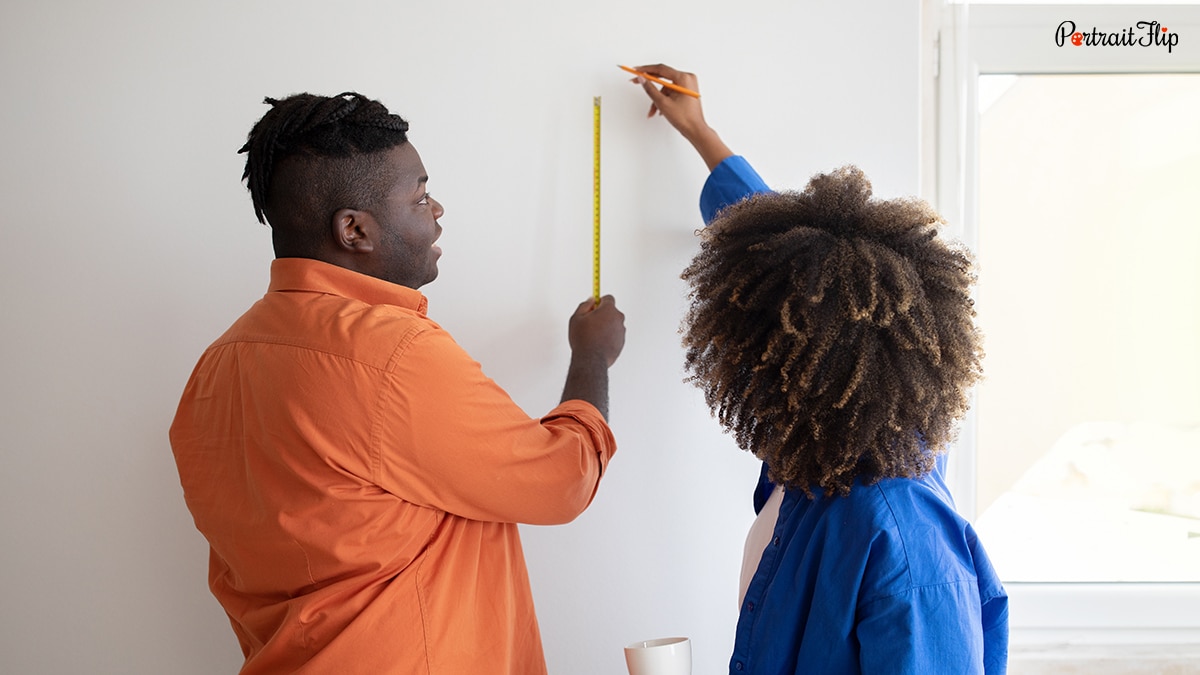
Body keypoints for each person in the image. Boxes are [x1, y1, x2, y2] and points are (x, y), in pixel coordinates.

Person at [169, 91, 626, 674]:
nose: (437, 211)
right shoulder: (391, 354)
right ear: (354, 229)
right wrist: (593, 357)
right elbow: (564, 479)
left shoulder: (214, 372)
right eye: (420, 196)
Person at [630, 65, 1009, 674]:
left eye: (756, 356)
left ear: (812, 372)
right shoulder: (812, 464)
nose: (739, 373)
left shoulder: (906, 542)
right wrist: (701, 133)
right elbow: (783, 255)